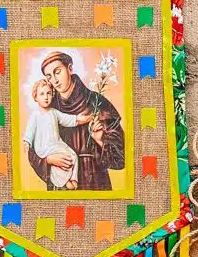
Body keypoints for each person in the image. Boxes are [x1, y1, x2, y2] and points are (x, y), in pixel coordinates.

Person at [25, 51, 126, 190]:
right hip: (60, 183)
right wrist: (48, 160)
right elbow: (31, 150)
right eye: (49, 76)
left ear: (70, 69)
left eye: (57, 72)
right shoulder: (48, 108)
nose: (55, 80)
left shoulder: (96, 102)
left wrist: (101, 140)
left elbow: (122, 157)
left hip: (94, 183)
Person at [23, 79, 92, 189]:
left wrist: (85, 118)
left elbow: (69, 119)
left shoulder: (54, 112)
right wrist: (27, 142)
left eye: (48, 93)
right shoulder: (35, 115)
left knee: (72, 155)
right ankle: (65, 182)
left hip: (56, 144)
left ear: (52, 94)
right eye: (42, 94)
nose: (46, 97)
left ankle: (73, 178)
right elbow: (29, 131)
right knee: (57, 163)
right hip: (44, 148)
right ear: (35, 97)